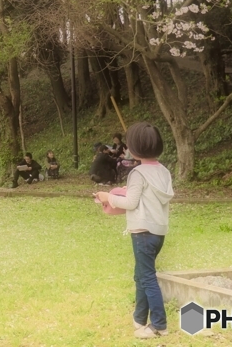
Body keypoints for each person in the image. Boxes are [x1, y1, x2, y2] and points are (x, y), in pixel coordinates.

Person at [95, 122, 175, 340]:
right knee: (141, 275)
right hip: (158, 232)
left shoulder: (138, 173)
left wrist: (107, 197)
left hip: (142, 233)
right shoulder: (164, 172)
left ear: (134, 148)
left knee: (147, 277)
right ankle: (139, 318)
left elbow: (130, 202)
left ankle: (159, 325)